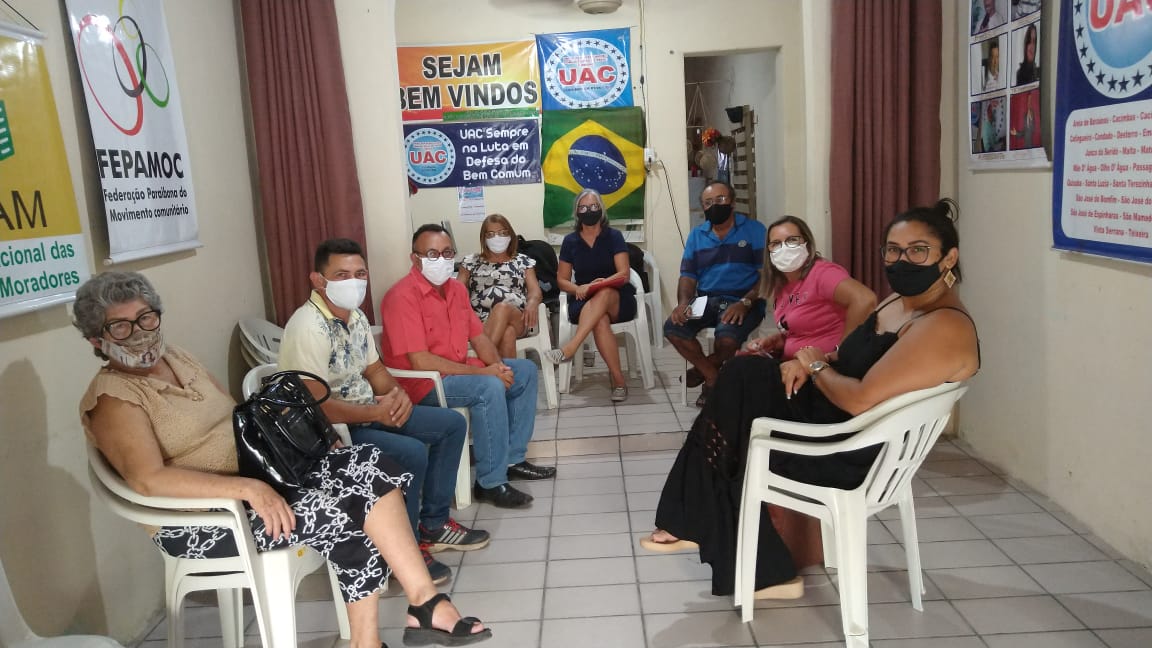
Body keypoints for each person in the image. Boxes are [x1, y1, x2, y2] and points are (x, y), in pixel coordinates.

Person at [75, 271, 492, 648]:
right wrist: (248, 488)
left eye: (146, 318)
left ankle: (423, 602)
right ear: (97, 340)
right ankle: (372, 640)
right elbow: (148, 480)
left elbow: (237, 418)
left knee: (369, 463)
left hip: (256, 481)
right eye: (120, 326)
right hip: (204, 520)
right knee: (349, 508)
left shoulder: (177, 358)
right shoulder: (114, 398)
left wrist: (307, 446)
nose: (139, 333)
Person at [644, 199, 980, 598]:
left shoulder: (944, 327)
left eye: (917, 251)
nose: (901, 260)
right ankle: (726, 541)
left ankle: (702, 525)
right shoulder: (900, 302)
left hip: (849, 445)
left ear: (948, 258)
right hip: (835, 412)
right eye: (893, 250)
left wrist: (815, 365)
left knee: (739, 394)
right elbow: (854, 353)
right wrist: (815, 359)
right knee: (740, 377)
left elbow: (860, 399)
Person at [278, 238, 488, 585]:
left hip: (369, 412)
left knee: (451, 425)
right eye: (342, 275)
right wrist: (375, 414)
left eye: (360, 273)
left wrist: (396, 396)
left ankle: (433, 525)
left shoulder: (356, 317)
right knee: (411, 452)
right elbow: (315, 407)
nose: (353, 282)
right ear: (318, 280)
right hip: (334, 431)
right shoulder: (308, 327)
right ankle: (403, 552)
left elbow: (375, 370)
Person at [379, 224, 555, 510]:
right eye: (432, 254)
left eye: (447, 253)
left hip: (456, 371)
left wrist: (498, 366)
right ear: (415, 258)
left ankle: (513, 460)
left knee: (522, 371)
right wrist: (485, 373)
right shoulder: (402, 296)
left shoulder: (456, 291)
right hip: (422, 382)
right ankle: (490, 482)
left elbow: (479, 338)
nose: (441, 260)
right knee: (488, 387)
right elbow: (420, 361)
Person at [664, 181, 768, 407]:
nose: (714, 206)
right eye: (708, 202)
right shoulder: (697, 235)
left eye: (720, 200)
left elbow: (766, 275)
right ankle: (712, 376)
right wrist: (683, 303)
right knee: (673, 328)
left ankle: (704, 374)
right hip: (705, 300)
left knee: (727, 339)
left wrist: (745, 302)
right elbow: (688, 275)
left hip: (744, 299)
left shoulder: (755, 230)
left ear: (732, 202)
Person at [546, 188, 637, 403]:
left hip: (618, 298)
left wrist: (598, 285)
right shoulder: (570, 241)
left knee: (604, 292)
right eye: (584, 207)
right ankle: (619, 381)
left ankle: (571, 347)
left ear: (602, 209)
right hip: (583, 300)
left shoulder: (613, 236)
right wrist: (577, 288)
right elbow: (562, 280)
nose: (589, 211)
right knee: (600, 320)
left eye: (594, 206)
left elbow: (623, 274)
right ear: (577, 212)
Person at [743, 215, 876, 361]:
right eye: (776, 243)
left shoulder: (822, 273)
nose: (784, 248)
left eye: (792, 240)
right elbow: (801, 330)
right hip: (792, 362)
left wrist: (841, 352)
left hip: (823, 365)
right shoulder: (781, 284)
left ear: (807, 243)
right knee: (740, 364)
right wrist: (776, 342)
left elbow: (865, 300)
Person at [457, 214, 544, 358]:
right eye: (491, 234)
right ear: (484, 238)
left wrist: (533, 302)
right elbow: (457, 290)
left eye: (503, 233)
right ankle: (502, 371)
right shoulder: (470, 261)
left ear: (510, 235)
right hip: (480, 321)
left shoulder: (523, 261)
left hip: (517, 317)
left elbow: (535, 290)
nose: (497, 238)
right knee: (507, 333)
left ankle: (484, 359)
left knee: (502, 308)